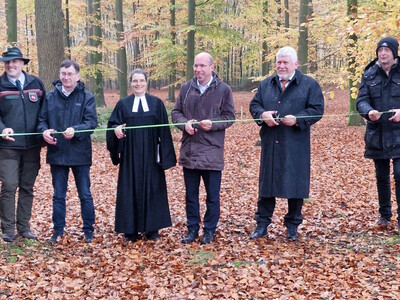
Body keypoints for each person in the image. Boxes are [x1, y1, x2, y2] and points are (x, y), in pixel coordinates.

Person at [249, 46, 324, 241]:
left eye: (285, 62)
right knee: (266, 186)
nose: (281, 66)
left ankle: (292, 226)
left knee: (295, 185)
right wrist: (262, 115)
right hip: (270, 142)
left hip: (295, 144)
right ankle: (262, 224)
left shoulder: (309, 84)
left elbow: (317, 110)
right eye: (279, 62)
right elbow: (254, 105)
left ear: (295, 64)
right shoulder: (266, 84)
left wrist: (298, 119)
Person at [171, 52, 235, 245]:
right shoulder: (186, 88)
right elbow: (176, 112)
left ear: (211, 67)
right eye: (196, 66)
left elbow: (229, 116)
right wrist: (184, 124)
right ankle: (192, 229)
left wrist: (213, 124)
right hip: (189, 151)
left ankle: (209, 230)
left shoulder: (223, 90)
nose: (198, 69)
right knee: (191, 195)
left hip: (212, 151)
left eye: (202, 66)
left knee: (212, 196)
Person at [106, 68, 176, 243]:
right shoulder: (123, 104)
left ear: (146, 82)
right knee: (129, 189)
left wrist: (165, 157)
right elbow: (113, 125)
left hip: (151, 155)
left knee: (153, 188)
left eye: (141, 81)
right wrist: (117, 131)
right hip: (130, 156)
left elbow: (164, 131)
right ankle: (130, 230)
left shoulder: (156, 104)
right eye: (135, 81)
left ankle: (152, 229)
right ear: (131, 83)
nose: (138, 84)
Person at [37, 59, 98, 244]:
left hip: (80, 154)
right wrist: (44, 132)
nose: (66, 77)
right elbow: (41, 121)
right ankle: (57, 231)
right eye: (63, 73)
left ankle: (88, 230)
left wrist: (76, 130)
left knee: (85, 194)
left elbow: (91, 123)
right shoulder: (50, 97)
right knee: (58, 196)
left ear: (77, 76)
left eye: (70, 74)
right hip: (57, 153)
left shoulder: (87, 97)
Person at [0, 46, 46, 242]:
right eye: (7, 62)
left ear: (22, 63)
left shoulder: (36, 83)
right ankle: (8, 230)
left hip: (32, 146)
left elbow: (45, 111)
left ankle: (24, 227)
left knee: (27, 187)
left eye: (15, 61)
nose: (11, 65)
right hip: (7, 147)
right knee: (10, 186)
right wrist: (2, 128)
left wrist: (44, 132)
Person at [356, 37, 400, 229]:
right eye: (380, 51)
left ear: (394, 53)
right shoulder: (369, 74)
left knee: (399, 174)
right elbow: (361, 100)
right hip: (378, 134)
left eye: (387, 50)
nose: (383, 54)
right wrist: (368, 112)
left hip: (399, 134)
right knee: (381, 176)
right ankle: (384, 216)